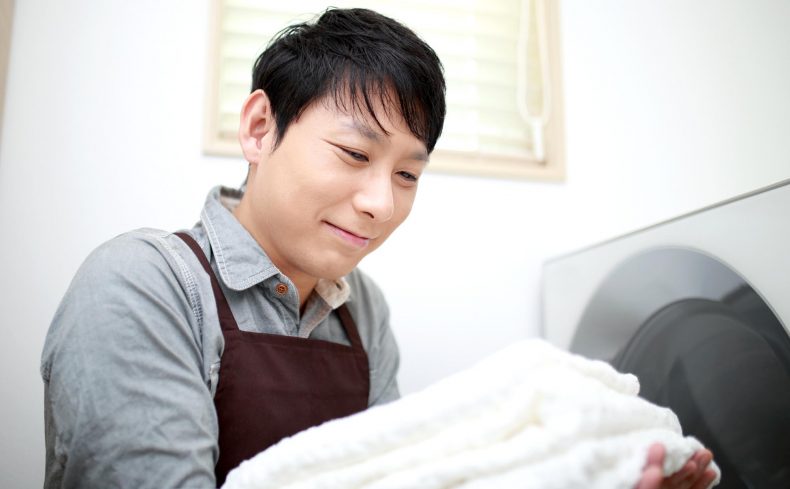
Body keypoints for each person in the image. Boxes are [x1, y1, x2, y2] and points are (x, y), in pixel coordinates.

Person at [40, 7, 716, 489]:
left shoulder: (363, 311)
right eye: (354, 152)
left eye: (407, 175)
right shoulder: (142, 283)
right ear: (258, 127)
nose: (381, 203)